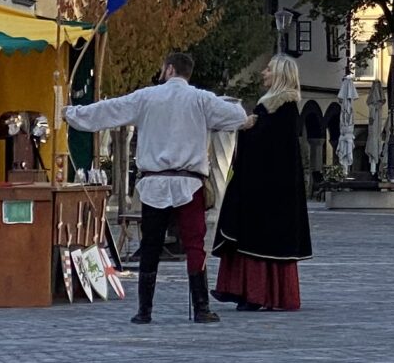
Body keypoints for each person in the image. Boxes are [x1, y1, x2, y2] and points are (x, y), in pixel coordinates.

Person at [64, 50, 251, 325]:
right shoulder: (201, 99)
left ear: (170, 70)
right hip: (189, 181)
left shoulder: (147, 96)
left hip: (155, 182)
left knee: (150, 244)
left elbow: (110, 109)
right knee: (195, 244)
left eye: (164, 68)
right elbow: (236, 116)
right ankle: (201, 308)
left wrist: (71, 114)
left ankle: (145, 311)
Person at [211, 57, 313, 311]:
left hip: (263, 189)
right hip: (274, 188)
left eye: (269, 69)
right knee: (259, 237)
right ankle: (258, 293)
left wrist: (245, 129)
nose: (263, 72)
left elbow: (263, 148)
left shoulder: (276, 107)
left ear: (279, 74)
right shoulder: (282, 107)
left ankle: (256, 294)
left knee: (256, 238)